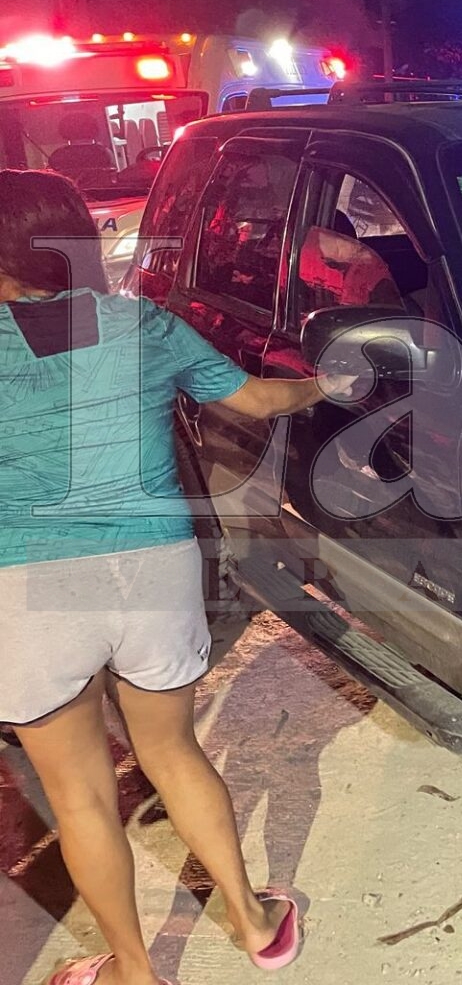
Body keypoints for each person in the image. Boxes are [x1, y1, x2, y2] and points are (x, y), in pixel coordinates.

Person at [0, 170, 338, 985]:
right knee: (175, 753)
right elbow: (255, 400)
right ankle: (256, 925)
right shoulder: (139, 322)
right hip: (151, 570)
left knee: (80, 797)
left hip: (27, 588)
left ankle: (134, 974)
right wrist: (328, 381)